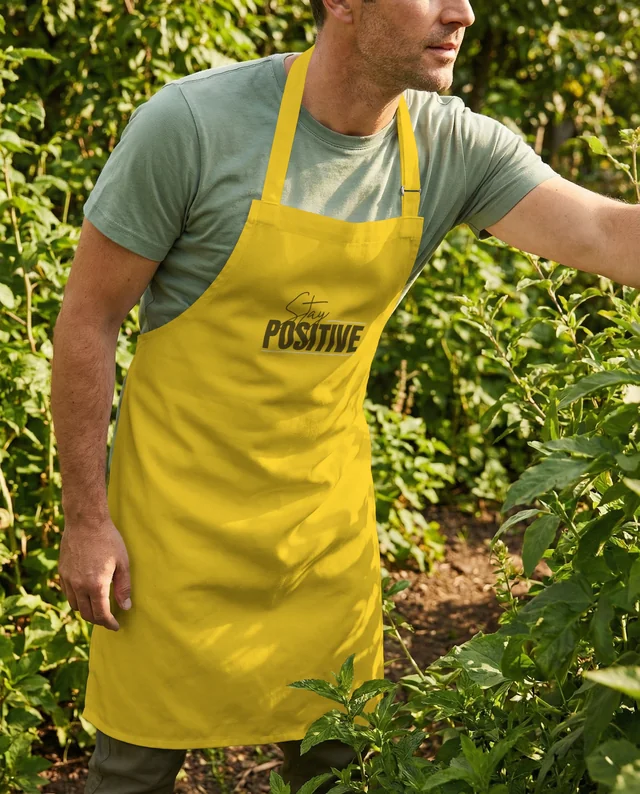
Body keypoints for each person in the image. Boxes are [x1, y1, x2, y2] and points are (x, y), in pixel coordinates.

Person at [51, 0, 638, 791]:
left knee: (338, 765)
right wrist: (87, 519)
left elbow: (606, 234)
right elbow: (88, 320)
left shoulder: (449, 143)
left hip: (320, 536)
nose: (461, 11)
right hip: (168, 529)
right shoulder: (192, 125)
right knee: (134, 770)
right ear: (344, 4)